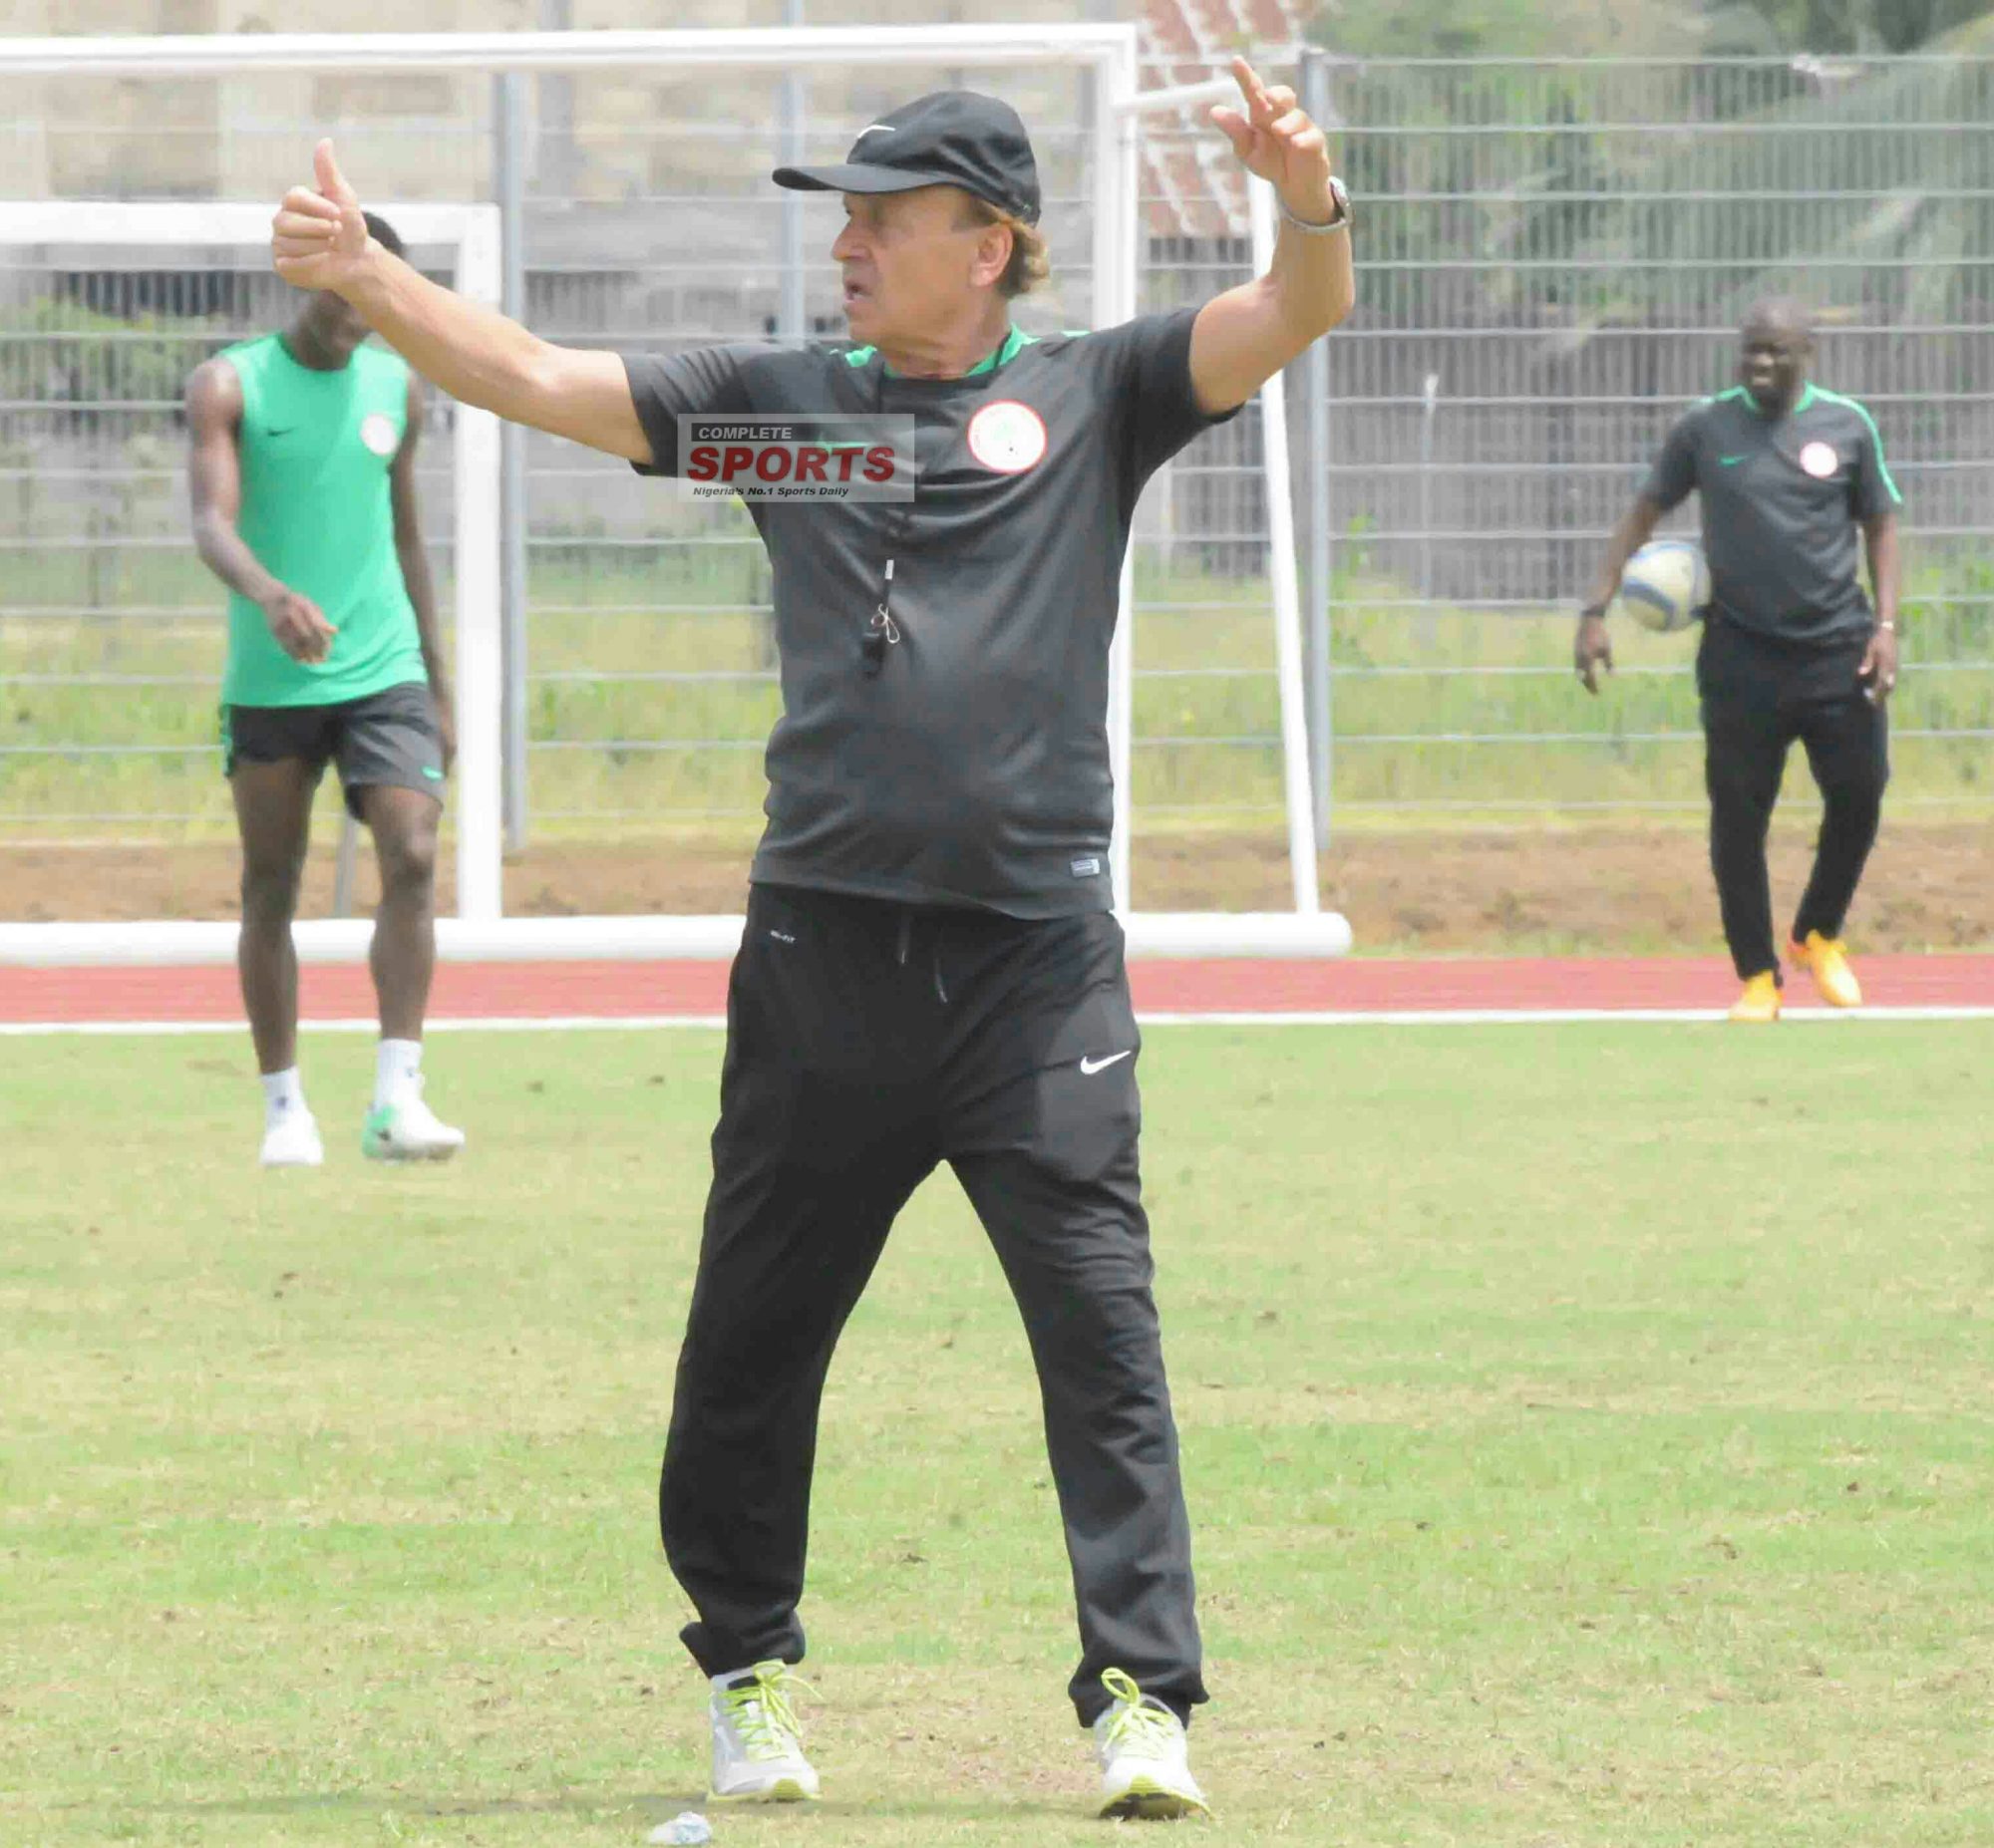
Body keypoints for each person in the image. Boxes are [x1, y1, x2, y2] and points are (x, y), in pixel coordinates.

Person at [270, 58, 1351, 1816]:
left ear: (987, 244)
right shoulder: (790, 416)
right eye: (840, 218)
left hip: (1036, 972)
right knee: (751, 1342)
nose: (844, 245)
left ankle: (1143, 1699)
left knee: (1104, 1339)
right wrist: (370, 276)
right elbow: (535, 377)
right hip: (822, 963)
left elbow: (1296, 309)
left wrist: (1305, 197)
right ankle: (747, 1672)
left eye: (881, 218)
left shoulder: (1097, 397)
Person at [187, 212, 466, 1166]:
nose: (362, 310)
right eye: (347, 286)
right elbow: (210, 524)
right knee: (271, 883)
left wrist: (440, 683)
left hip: (384, 668)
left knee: (414, 852)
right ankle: (285, 1111)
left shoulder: (398, 388)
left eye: (377, 290)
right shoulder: (230, 384)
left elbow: (408, 540)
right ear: (309, 278)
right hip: (275, 675)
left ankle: (397, 1100)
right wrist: (272, 596)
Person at [1576, 298, 1902, 1023]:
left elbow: (1881, 523)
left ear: (1806, 353)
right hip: (1741, 658)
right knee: (1738, 818)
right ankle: (1758, 977)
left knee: (1861, 791)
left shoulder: (1847, 425)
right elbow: (1642, 515)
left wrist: (1886, 627)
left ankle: (1817, 934)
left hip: (1838, 650)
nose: (1760, 362)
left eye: (1776, 350)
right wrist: (1595, 609)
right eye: (1751, 348)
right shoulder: (1705, 428)